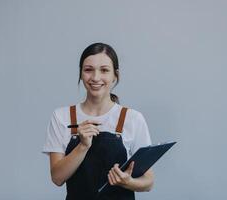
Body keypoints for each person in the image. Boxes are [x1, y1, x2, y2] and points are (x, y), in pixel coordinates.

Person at [43, 42, 154, 200]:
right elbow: (57, 178)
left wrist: (128, 182)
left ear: (115, 75)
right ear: (81, 74)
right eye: (88, 70)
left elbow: (148, 181)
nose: (95, 77)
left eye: (104, 70)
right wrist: (82, 146)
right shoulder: (62, 117)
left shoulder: (133, 118)